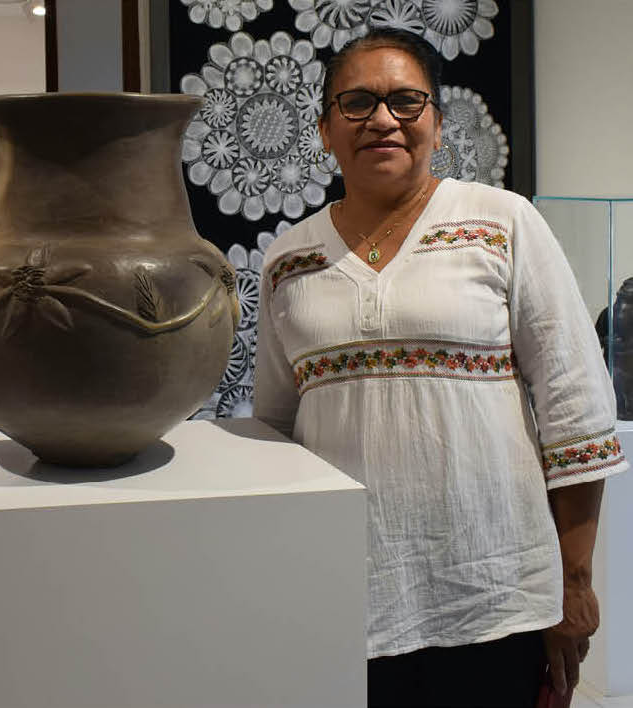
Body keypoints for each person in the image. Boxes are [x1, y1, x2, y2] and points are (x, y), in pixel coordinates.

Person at [253, 28, 624, 707]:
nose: (383, 119)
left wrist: (573, 584)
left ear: (437, 123)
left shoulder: (502, 223)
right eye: (357, 102)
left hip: (493, 598)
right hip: (341, 597)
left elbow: (576, 414)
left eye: (406, 100)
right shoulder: (288, 260)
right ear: (325, 130)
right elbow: (276, 432)